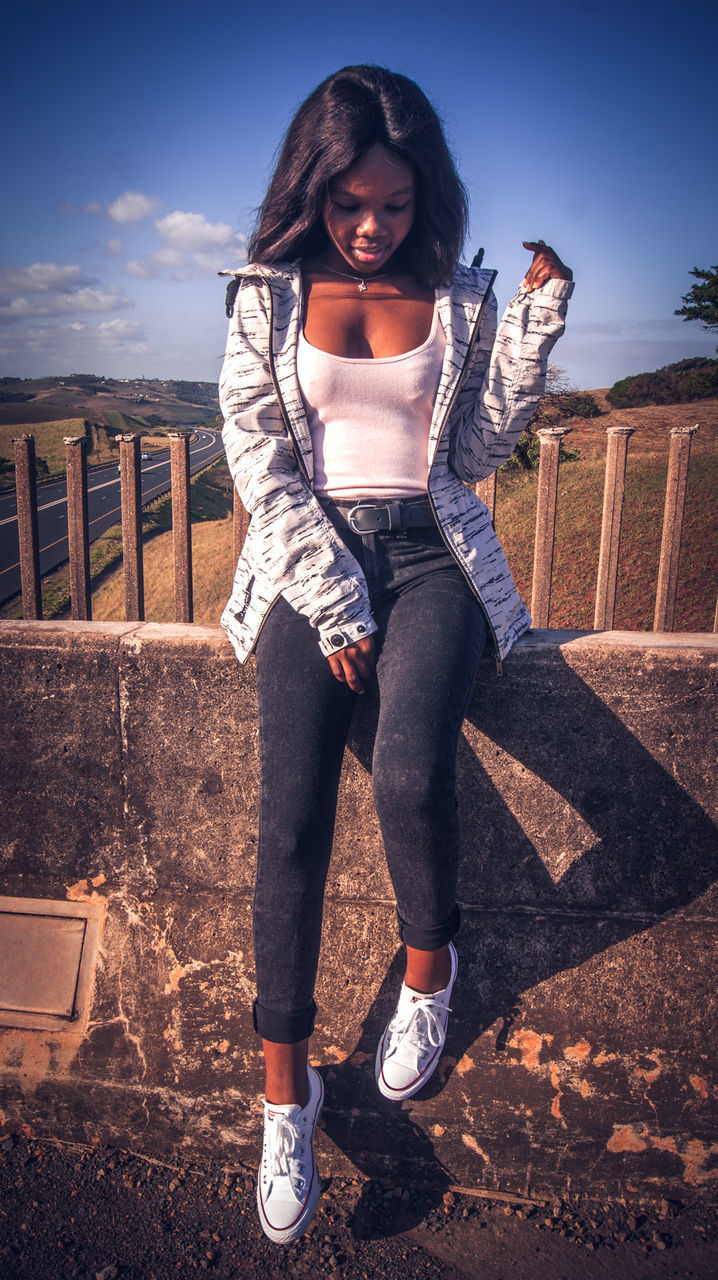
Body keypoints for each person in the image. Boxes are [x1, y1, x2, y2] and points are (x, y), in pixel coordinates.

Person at [219, 64, 573, 1245]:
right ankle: (286, 1093)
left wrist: (529, 328)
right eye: (347, 203)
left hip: (429, 560)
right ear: (309, 191)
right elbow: (259, 466)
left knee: (414, 770)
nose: (370, 228)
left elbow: (470, 445)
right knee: (289, 825)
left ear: (428, 199)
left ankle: (431, 967)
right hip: (305, 563)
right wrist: (330, 603)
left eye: (395, 205)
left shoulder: (455, 296)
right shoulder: (265, 297)